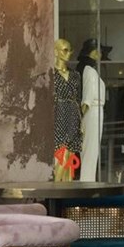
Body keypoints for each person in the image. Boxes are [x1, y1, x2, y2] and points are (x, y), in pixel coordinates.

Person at [76, 38, 106, 182]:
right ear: (93, 52)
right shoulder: (89, 71)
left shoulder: (89, 70)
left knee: (91, 148)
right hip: (92, 111)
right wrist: (81, 118)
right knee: (90, 148)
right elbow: (87, 97)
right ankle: (87, 180)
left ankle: (88, 179)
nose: (101, 54)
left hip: (93, 110)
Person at [52, 38, 82, 182]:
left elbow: (78, 99)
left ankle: (67, 186)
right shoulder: (50, 74)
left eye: (70, 50)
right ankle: (56, 186)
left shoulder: (75, 75)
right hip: (58, 113)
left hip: (73, 114)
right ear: (56, 52)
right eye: (65, 50)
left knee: (70, 154)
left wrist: (81, 121)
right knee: (61, 152)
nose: (68, 53)